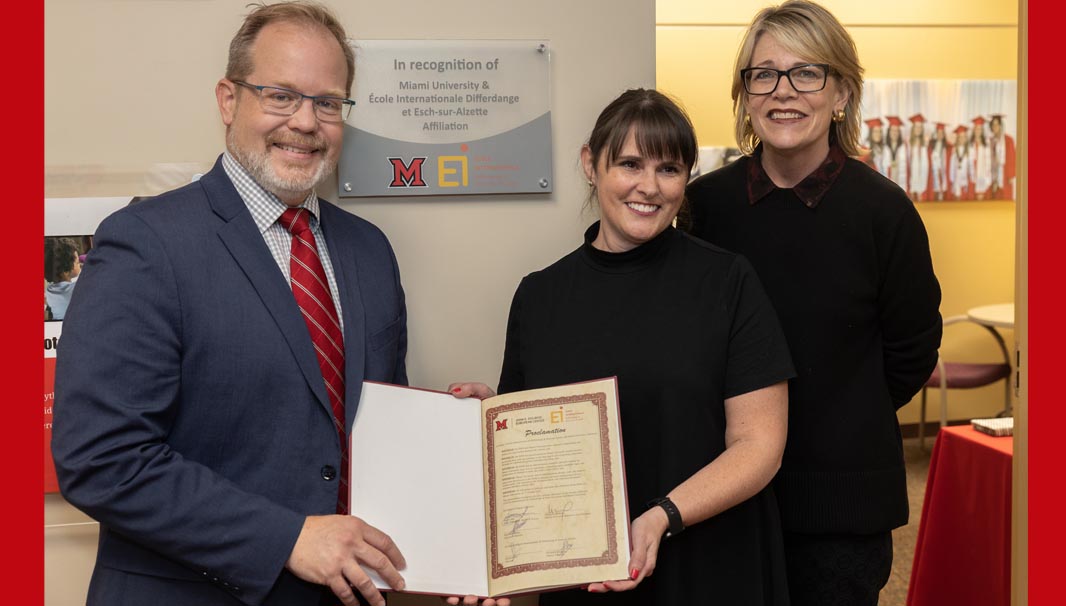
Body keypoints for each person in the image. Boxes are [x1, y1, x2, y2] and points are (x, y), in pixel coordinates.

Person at [50, 3, 410, 606]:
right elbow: (100, 458)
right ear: (228, 99)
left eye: (328, 102)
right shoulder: (146, 242)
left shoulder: (369, 252)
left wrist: (452, 425)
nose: (306, 121)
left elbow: (360, 425)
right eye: (280, 95)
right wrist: (287, 537)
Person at [450, 88, 795, 606]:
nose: (649, 188)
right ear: (592, 164)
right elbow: (530, 451)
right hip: (585, 581)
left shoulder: (727, 282)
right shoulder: (541, 296)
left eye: (670, 169)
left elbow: (759, 446)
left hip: (709, 566)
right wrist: (489, 419)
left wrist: (662, 517)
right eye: (629, 164)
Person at [684, 2, 942, 605]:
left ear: (842, 93)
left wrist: (840, 416)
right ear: (745, 94)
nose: (783, 92)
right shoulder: (703, 208)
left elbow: (911, 351)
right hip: (723, 497)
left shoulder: (884, 212)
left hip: (841, 508)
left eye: (807, 73)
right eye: (764, 74)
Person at [44, 237, 83, 320]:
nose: (80, 264)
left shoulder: (48, 291)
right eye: (77, 262)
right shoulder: (78, 288)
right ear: (65, 271)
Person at [989, 113, 1016, 199]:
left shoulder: (1008, 140)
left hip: (1005, 174)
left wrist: (1011, 175)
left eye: (997, 124)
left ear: (1001, 125)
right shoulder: (990, 141)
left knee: (1005, 199)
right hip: (993, 174)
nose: (995, 126)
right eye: (993, 125)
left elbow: (1012, 158)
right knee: (994, 199)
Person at [906, 113, 930, 201]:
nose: (918, 129)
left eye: (920, 127)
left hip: (922, 171)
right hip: (912, 171)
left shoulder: (926, 142)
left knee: (921, 194)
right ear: (913, 128)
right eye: (916, 127)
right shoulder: (908, 141)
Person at [970, 115, 992, 200]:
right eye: (976, 128)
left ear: (982, 130)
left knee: (981, 195)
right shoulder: (970, 143)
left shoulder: (986, 143)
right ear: (974, 130)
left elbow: (988, 160)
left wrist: (987, 175)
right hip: (973, 173)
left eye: (980, 129)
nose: (978, 131)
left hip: (982, 173)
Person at [884, 115, 907, 190]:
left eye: (897, 130)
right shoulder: (884, 146)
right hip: (888, 177)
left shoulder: (904, 147)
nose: (895, 133)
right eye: (893, 130)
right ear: (889, 131)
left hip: (900, 177)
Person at [949, 124, 972, 200]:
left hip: (965, 179)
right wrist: (951, 179)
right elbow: (952, 166)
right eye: (960, 137)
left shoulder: (969, 151)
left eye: (963, 137)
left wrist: (972, 177)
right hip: (956, 178)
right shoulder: (954, 150)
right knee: (957, 197)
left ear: (966, 138)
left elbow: (971, 166)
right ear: (957, 138)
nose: (962, 139)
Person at [928, 122, 950, 201]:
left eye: (942, 133)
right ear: (935, 134)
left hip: (943, 173)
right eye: (938, 133)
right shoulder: (930, 146)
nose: (940, 135)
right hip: (933, 173)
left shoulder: (948, 147)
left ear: (944, 135)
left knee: (942, 191)